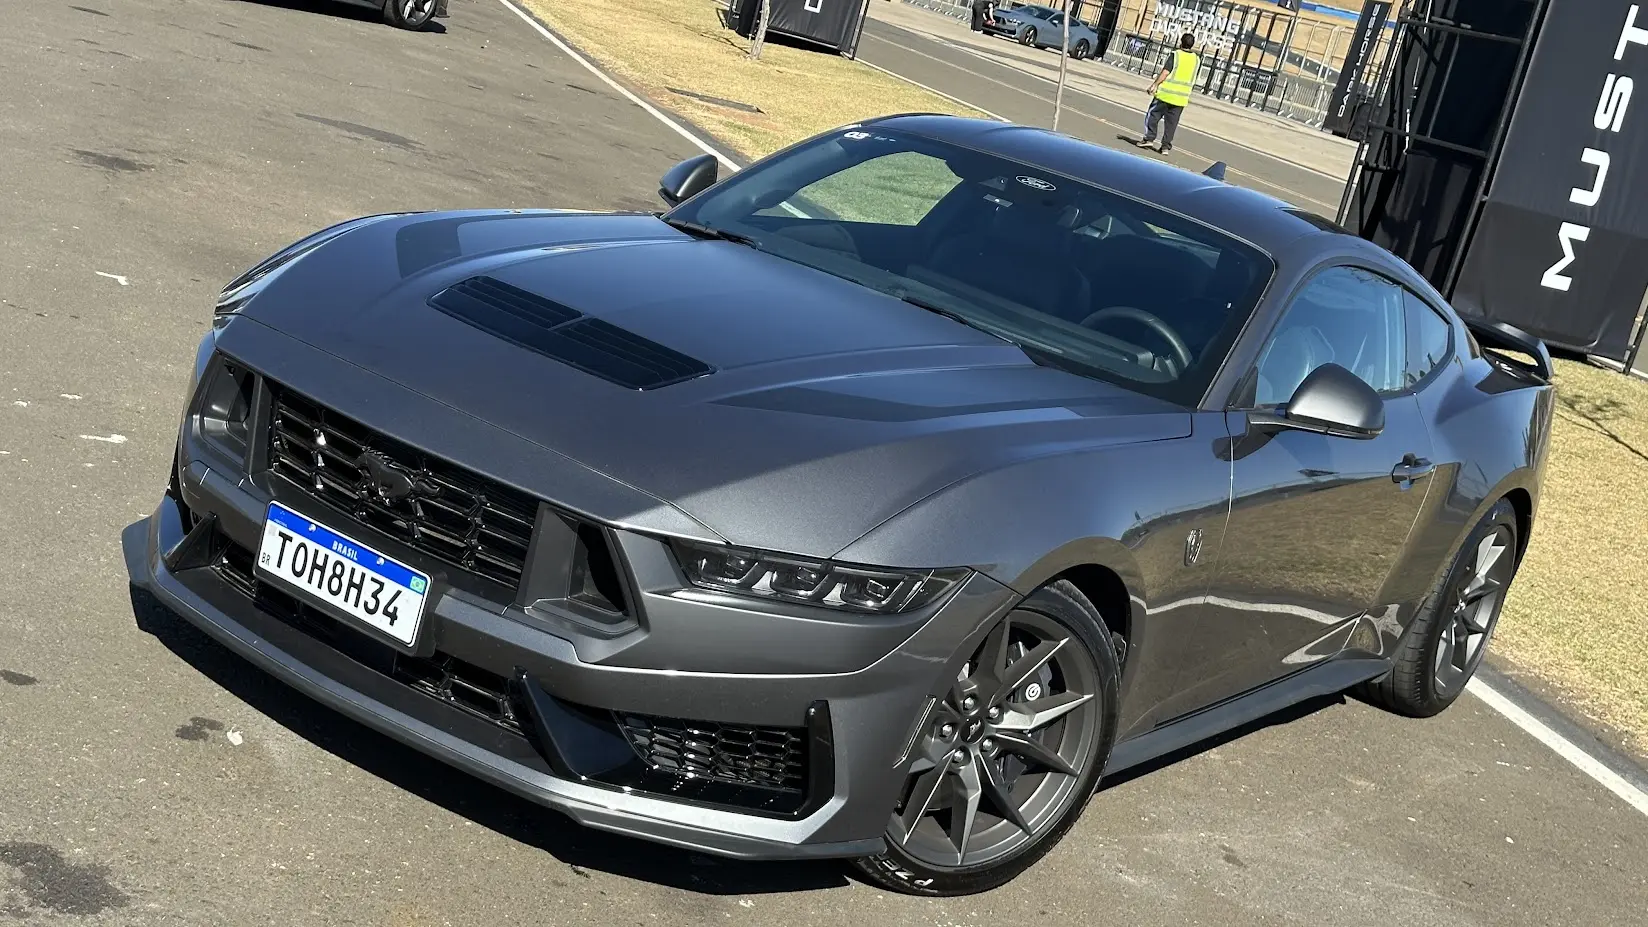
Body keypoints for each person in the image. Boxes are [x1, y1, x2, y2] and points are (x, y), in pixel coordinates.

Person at [1135, 32, 1200, 155]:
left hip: (1166, 94)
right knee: (1171, 124)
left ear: (1181, 42)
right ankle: (1165, 147)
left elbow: (1165, 72)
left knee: (1153, 115)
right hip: (1181, 98)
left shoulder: (1176, 55)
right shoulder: (1196, 59)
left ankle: (1149, 138)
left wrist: (1155, 85)